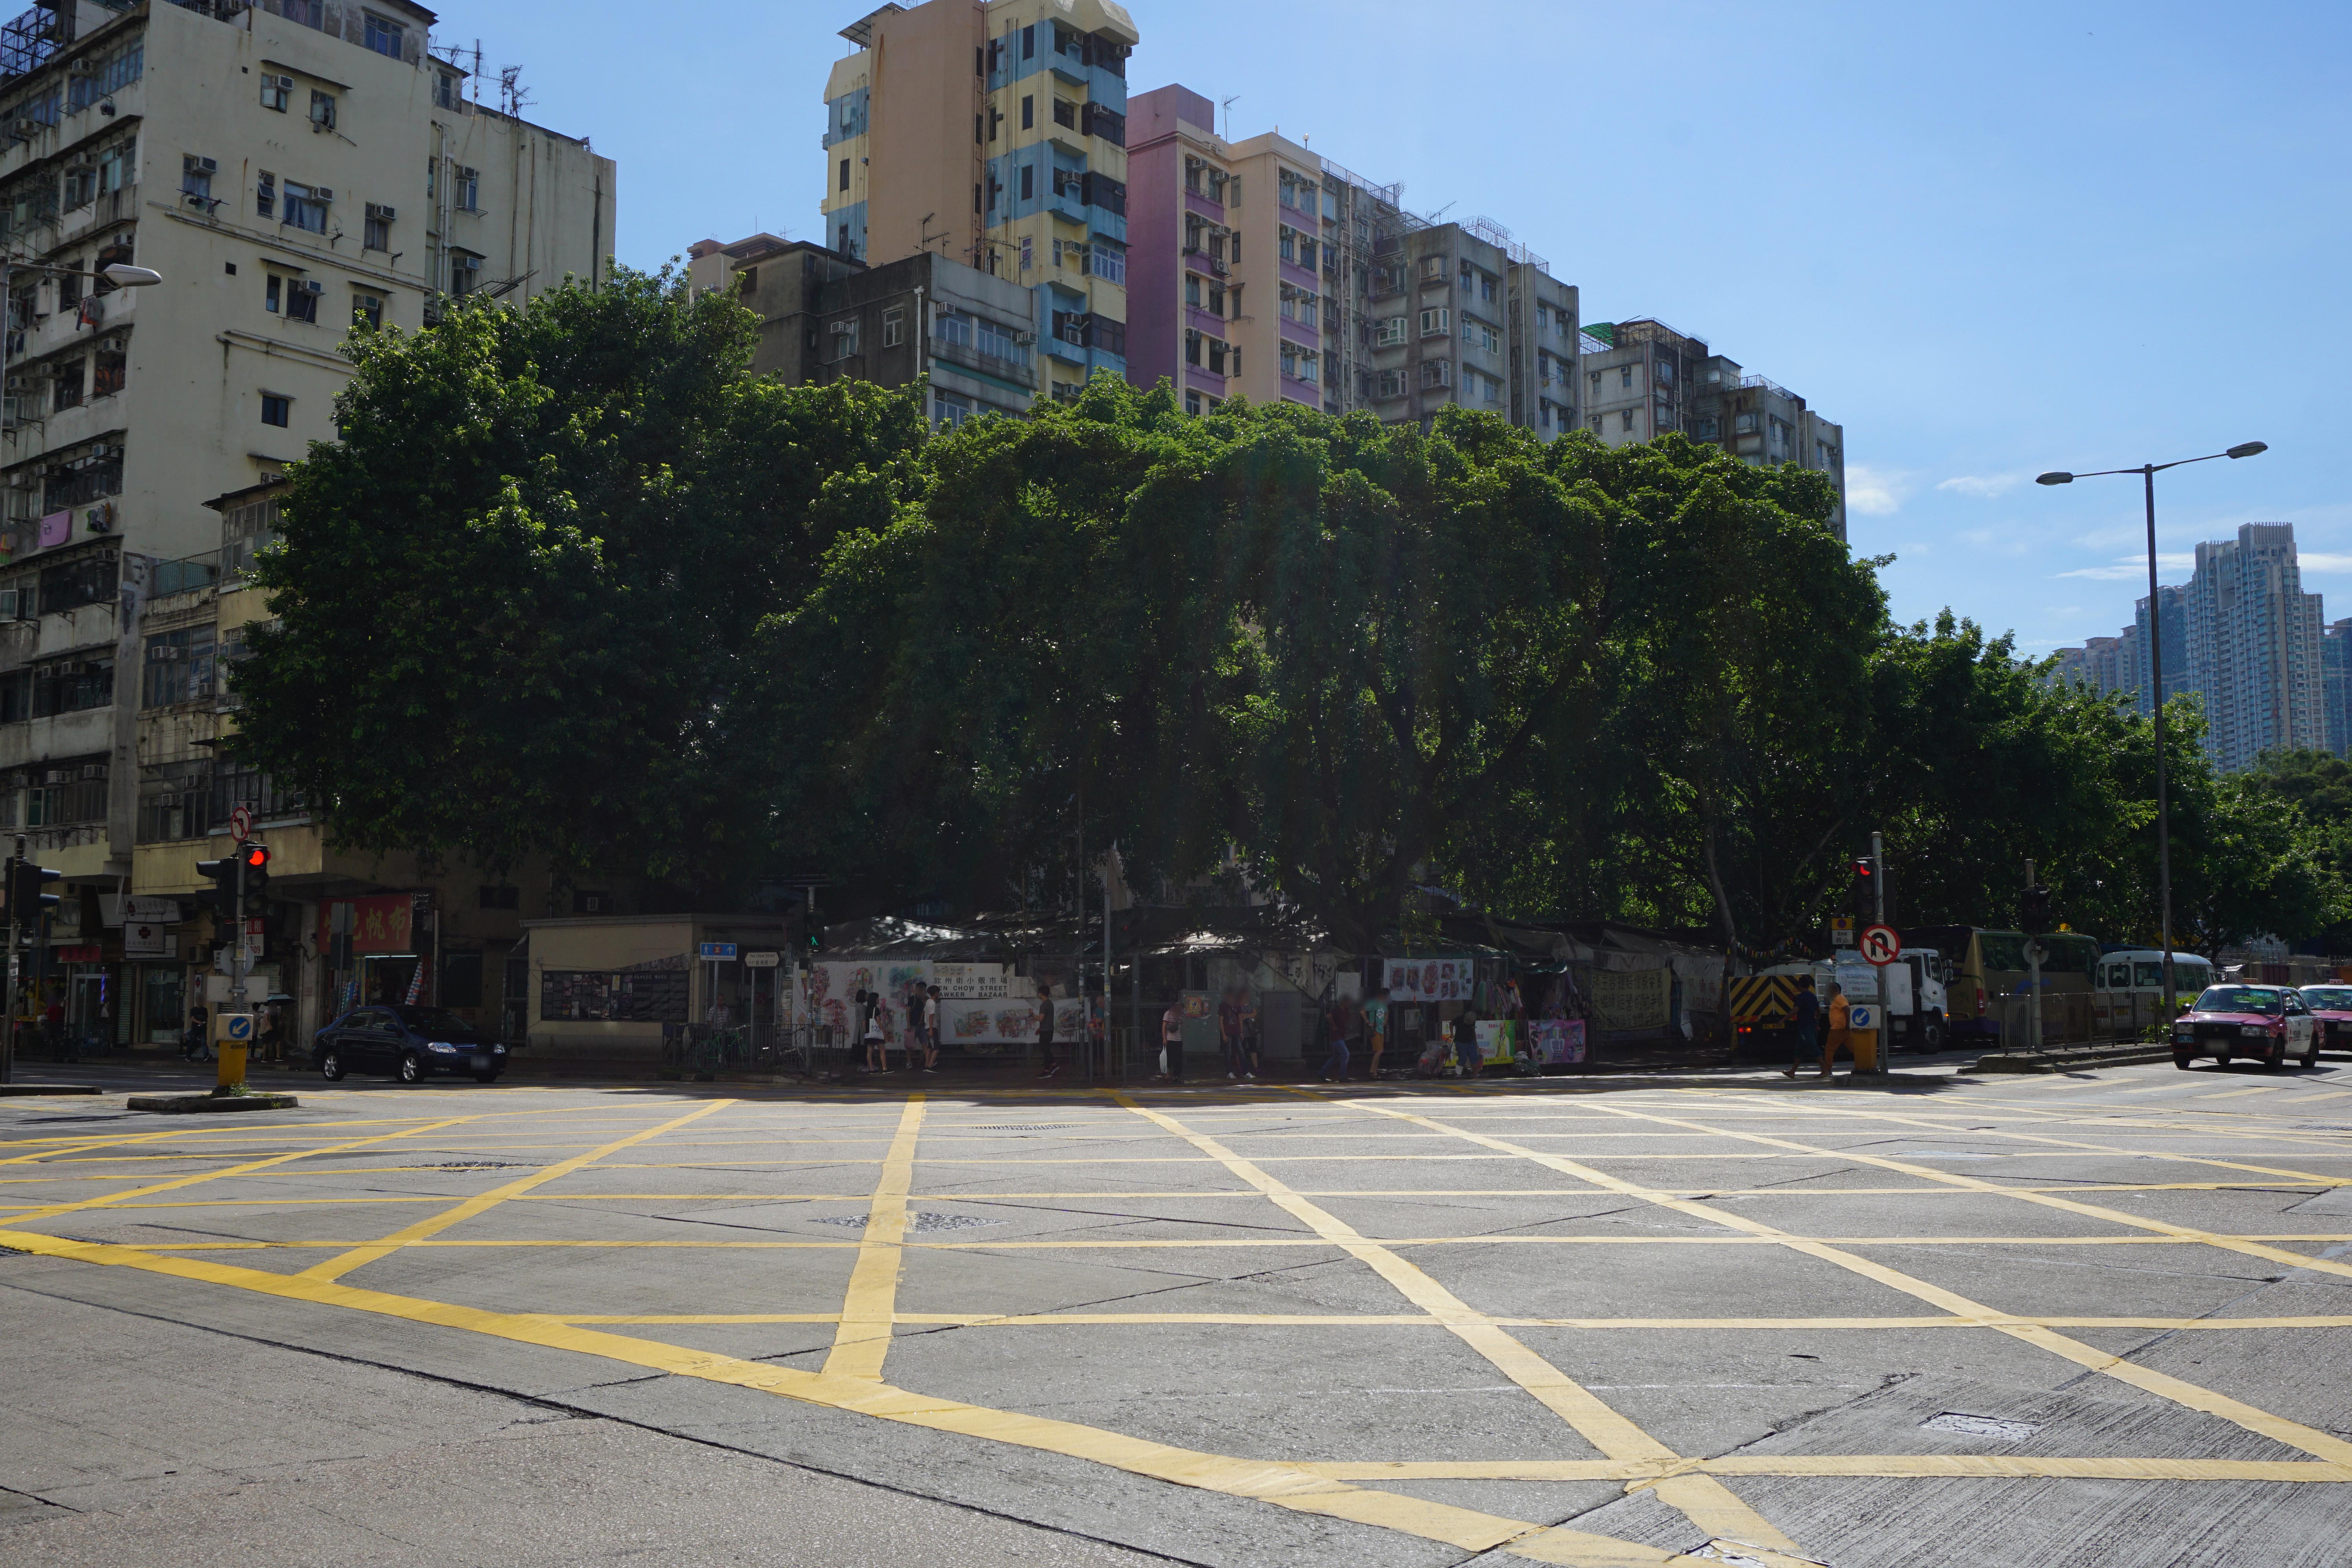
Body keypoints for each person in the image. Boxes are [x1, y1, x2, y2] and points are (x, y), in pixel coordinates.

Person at [1782, 976, 1819, 1080]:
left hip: (1805, 1027)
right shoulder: (1813, 996)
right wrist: (1816, 1021)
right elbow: (1819, 1011)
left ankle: (1825, 1070)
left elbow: (1795, 1010)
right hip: (1811, 1025)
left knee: (1813, 1047)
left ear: (1799, 986)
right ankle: (1792, 1072)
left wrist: (1783, 1020)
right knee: (1800, 1050)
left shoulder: (1801, 997)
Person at [1821, 982, 1851, 1080]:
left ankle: (1828, 1071)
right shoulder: (1839, 998)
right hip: (1843, 1027)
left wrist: (1848, 1024)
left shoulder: (1839, 998)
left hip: (1838, 1028)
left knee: (1829, 1049)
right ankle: (1866, 1064)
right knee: (1854, 1048)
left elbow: (1847, 1010)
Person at [1218, 987, 1249, 1080]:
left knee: (1241, 1052)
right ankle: (1229, 1072)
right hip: (1228, 1032)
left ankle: (1245, 1072)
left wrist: (1241, 1032)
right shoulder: (1223, 1005)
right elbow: (1221, 1020)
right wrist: (1223, 1034)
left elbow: (1240, 1018)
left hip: (1236, 1031)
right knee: (1228, 1052)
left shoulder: (1237, 1005)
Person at [1319, 1000, 1352, 1083]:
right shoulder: (1337, 1010)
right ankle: (1342, 1076)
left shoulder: (1346, 1011)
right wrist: (1334, 1025)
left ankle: (1322, 1072)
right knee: (1346, 1055)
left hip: (1341, 1036)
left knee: (1336, 1056)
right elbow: (1328, 1017)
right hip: (1336, 1036)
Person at [1036, 982, 1060, 1079]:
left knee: (1045, 1050)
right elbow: (1047, 1019)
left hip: (1045, 1031)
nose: (1038, 995)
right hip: (1048, 1029)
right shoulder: (1050, 1004)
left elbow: (1041, 1019)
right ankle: (1054, 1065)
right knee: (1046, 1048)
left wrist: (1032, 1014)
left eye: (1039, 993)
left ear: (1041, 993)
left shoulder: (1044, 1005)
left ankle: (1047, 1071)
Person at [1158, 998, 1185, 1083]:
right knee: (1169, 1058)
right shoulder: (1168, 1014)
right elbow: (1164, 1027)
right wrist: (1165, 1038)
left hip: (1178, 1039)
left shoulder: (1181, 1015)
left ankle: (1176, 1076)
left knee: (1178, 1059)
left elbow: (1182, 1025)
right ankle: (1167, 1075)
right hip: (1170, 1039)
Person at [1452, 1005, 1481, 1078]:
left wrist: (1475, 1041)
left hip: (1471, 1041)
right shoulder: (1459, 1019)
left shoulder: (1473, 1021)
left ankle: (1476, 1073)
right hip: (1461, 1041)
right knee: (1463, 1058)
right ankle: (1458, 1074)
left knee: (1474, 1056)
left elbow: (1473, 1031)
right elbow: (1451, 1024)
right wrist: (1451, 1034)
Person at [862, 989, 886, 1074]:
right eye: (878, 998)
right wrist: (883, 1031)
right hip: (876, 1033)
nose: (879, 1000)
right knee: (882, 1050)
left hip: (869, 1033)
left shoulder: (867, 1009)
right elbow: (879, 1021)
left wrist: (866, 1030)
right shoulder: (876, 1009)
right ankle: (885, 1068)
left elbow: (864, 1021)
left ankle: (871, 1069)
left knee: (869, 1051)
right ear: (875, 999)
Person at [922, 984, 942, 1073]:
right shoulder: (933, 1003)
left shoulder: (928, 1002)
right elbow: (931, 1017)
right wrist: (931, 1029)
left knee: (930, 1047)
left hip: (928, 1027)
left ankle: (927, 1065)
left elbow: (924, 1013)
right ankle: (930, 1066)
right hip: (932, 1028)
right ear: (937, 993)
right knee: (936, 1048)